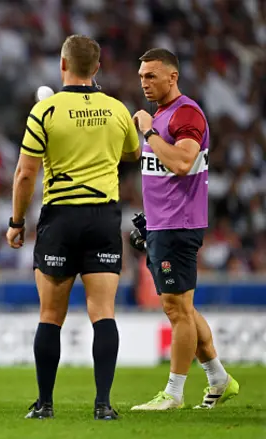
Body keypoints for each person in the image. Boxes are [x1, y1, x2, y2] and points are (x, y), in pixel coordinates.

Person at [6, 35, 141, 421]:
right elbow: (132, 152)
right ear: (96, 68)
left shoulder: (45, 111)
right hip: (103, 218)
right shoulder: (116, 109)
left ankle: (45, 404)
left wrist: (17, 223)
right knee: (103, 312)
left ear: (62, 65)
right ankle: (104, 405)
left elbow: (24, 173)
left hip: (61, 218)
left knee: (50, 315)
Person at [130, 48, 239, 411]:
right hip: (163, 224)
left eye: (152, 76)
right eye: (142, 75)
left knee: (177, 310)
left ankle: (173, 394)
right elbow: (157, 169)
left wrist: (147, 132)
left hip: (180, 224)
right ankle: (219, 377)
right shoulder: (162, 115)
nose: (144, 82)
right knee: (183, 309)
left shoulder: (185, 113)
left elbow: (181, 161)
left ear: (172, 77)